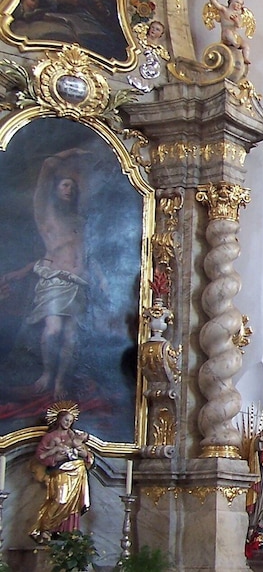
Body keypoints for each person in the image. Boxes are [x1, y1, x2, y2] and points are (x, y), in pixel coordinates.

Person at [19, 150, 93, 397]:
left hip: (78, 282)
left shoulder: (79, 220)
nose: (69, 190)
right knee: (52, 330)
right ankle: (47, 374)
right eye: (65, 185)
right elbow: (47, 166)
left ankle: (60, 381)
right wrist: (73, 152)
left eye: (73, 186)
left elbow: (85, 253)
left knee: (71, 337)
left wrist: (100, 280)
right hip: (55, 281)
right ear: (56, 189)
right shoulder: (46, 214)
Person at [30, 404, 94, 543]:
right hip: (60, 472)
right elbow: (40, 456)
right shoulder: (50, 437)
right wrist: (55, 458)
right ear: (59, 419)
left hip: (78, 473)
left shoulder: (74, 436)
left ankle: (68, 533)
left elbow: (87, 455)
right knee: (59, 500)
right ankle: (45, 529)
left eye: (70, 421)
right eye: (66, 420)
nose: (68, 423)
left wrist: (84, 454)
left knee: (73, 505)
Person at [205, 0, 252, 65]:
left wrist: (236, 21)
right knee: (228, 32)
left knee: (246, 46)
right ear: (230, 2)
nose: (239, 5)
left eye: (241, 4)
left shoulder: (238, 15)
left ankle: (245, 58)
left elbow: (239, 25)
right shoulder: (224, 10)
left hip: (236, 36)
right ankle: (234, 43)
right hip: (226, 37)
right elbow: (214, 2)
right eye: (237, 2)